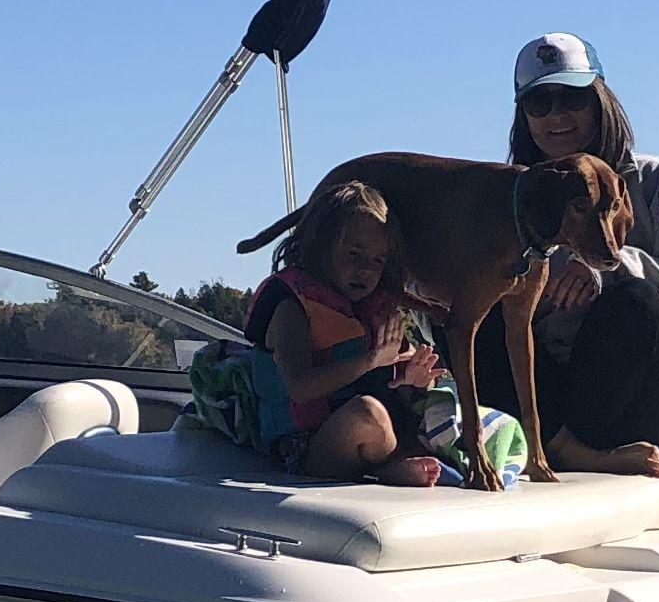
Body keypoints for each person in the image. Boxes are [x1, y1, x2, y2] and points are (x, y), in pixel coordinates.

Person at [476, 33, 659, 478]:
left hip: (653, 412)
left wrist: (608, 268)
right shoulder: (509, 205)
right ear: (523, 117)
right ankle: (561, 447)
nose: (556, 116)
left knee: (634, 300)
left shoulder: (657, 182)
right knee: (472, 313)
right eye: (539, 103)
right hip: (557, 410)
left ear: (600, 103)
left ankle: (565, 446)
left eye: (572, 98)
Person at [185, 178, 471, 487]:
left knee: (439, 410)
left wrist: (414, 380)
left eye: (377, 261)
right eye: (354, 254)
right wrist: (370, 360)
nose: (366, 270)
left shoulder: (375, 311)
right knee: (367, 414)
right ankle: (385, 471)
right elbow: (300, 387)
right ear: (321, 246)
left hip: (376, 436)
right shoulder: (290, 307)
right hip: (303, 446)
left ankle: (395, 464)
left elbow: (393, 385)